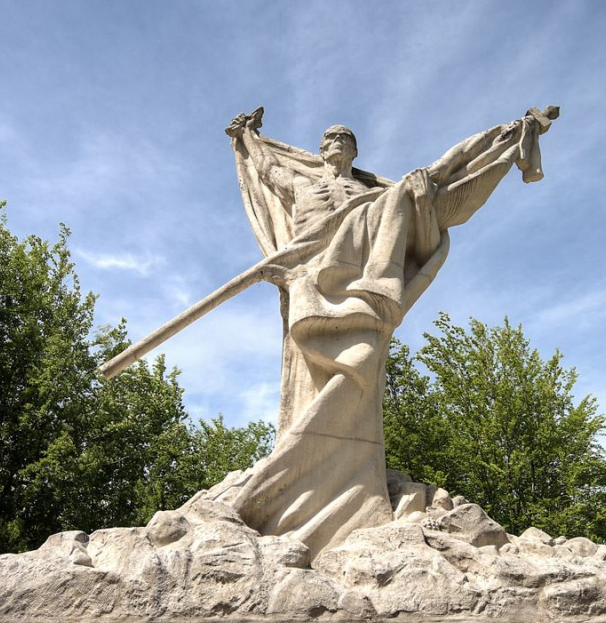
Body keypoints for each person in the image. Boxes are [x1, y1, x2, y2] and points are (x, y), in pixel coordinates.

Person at [213, 106, 556, 564]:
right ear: (320, 151)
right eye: (331, 138)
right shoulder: (302, 185)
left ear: (354, 151)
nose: (337, 141)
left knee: (415, 186)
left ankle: (506, 141)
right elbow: (267, 169)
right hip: (313, 284)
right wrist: (248, 138)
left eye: (345, 138)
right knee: (316, 375)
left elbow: (437, 187)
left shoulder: (373, 194)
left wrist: (505, 138)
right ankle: (293, 489)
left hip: (361, 291)